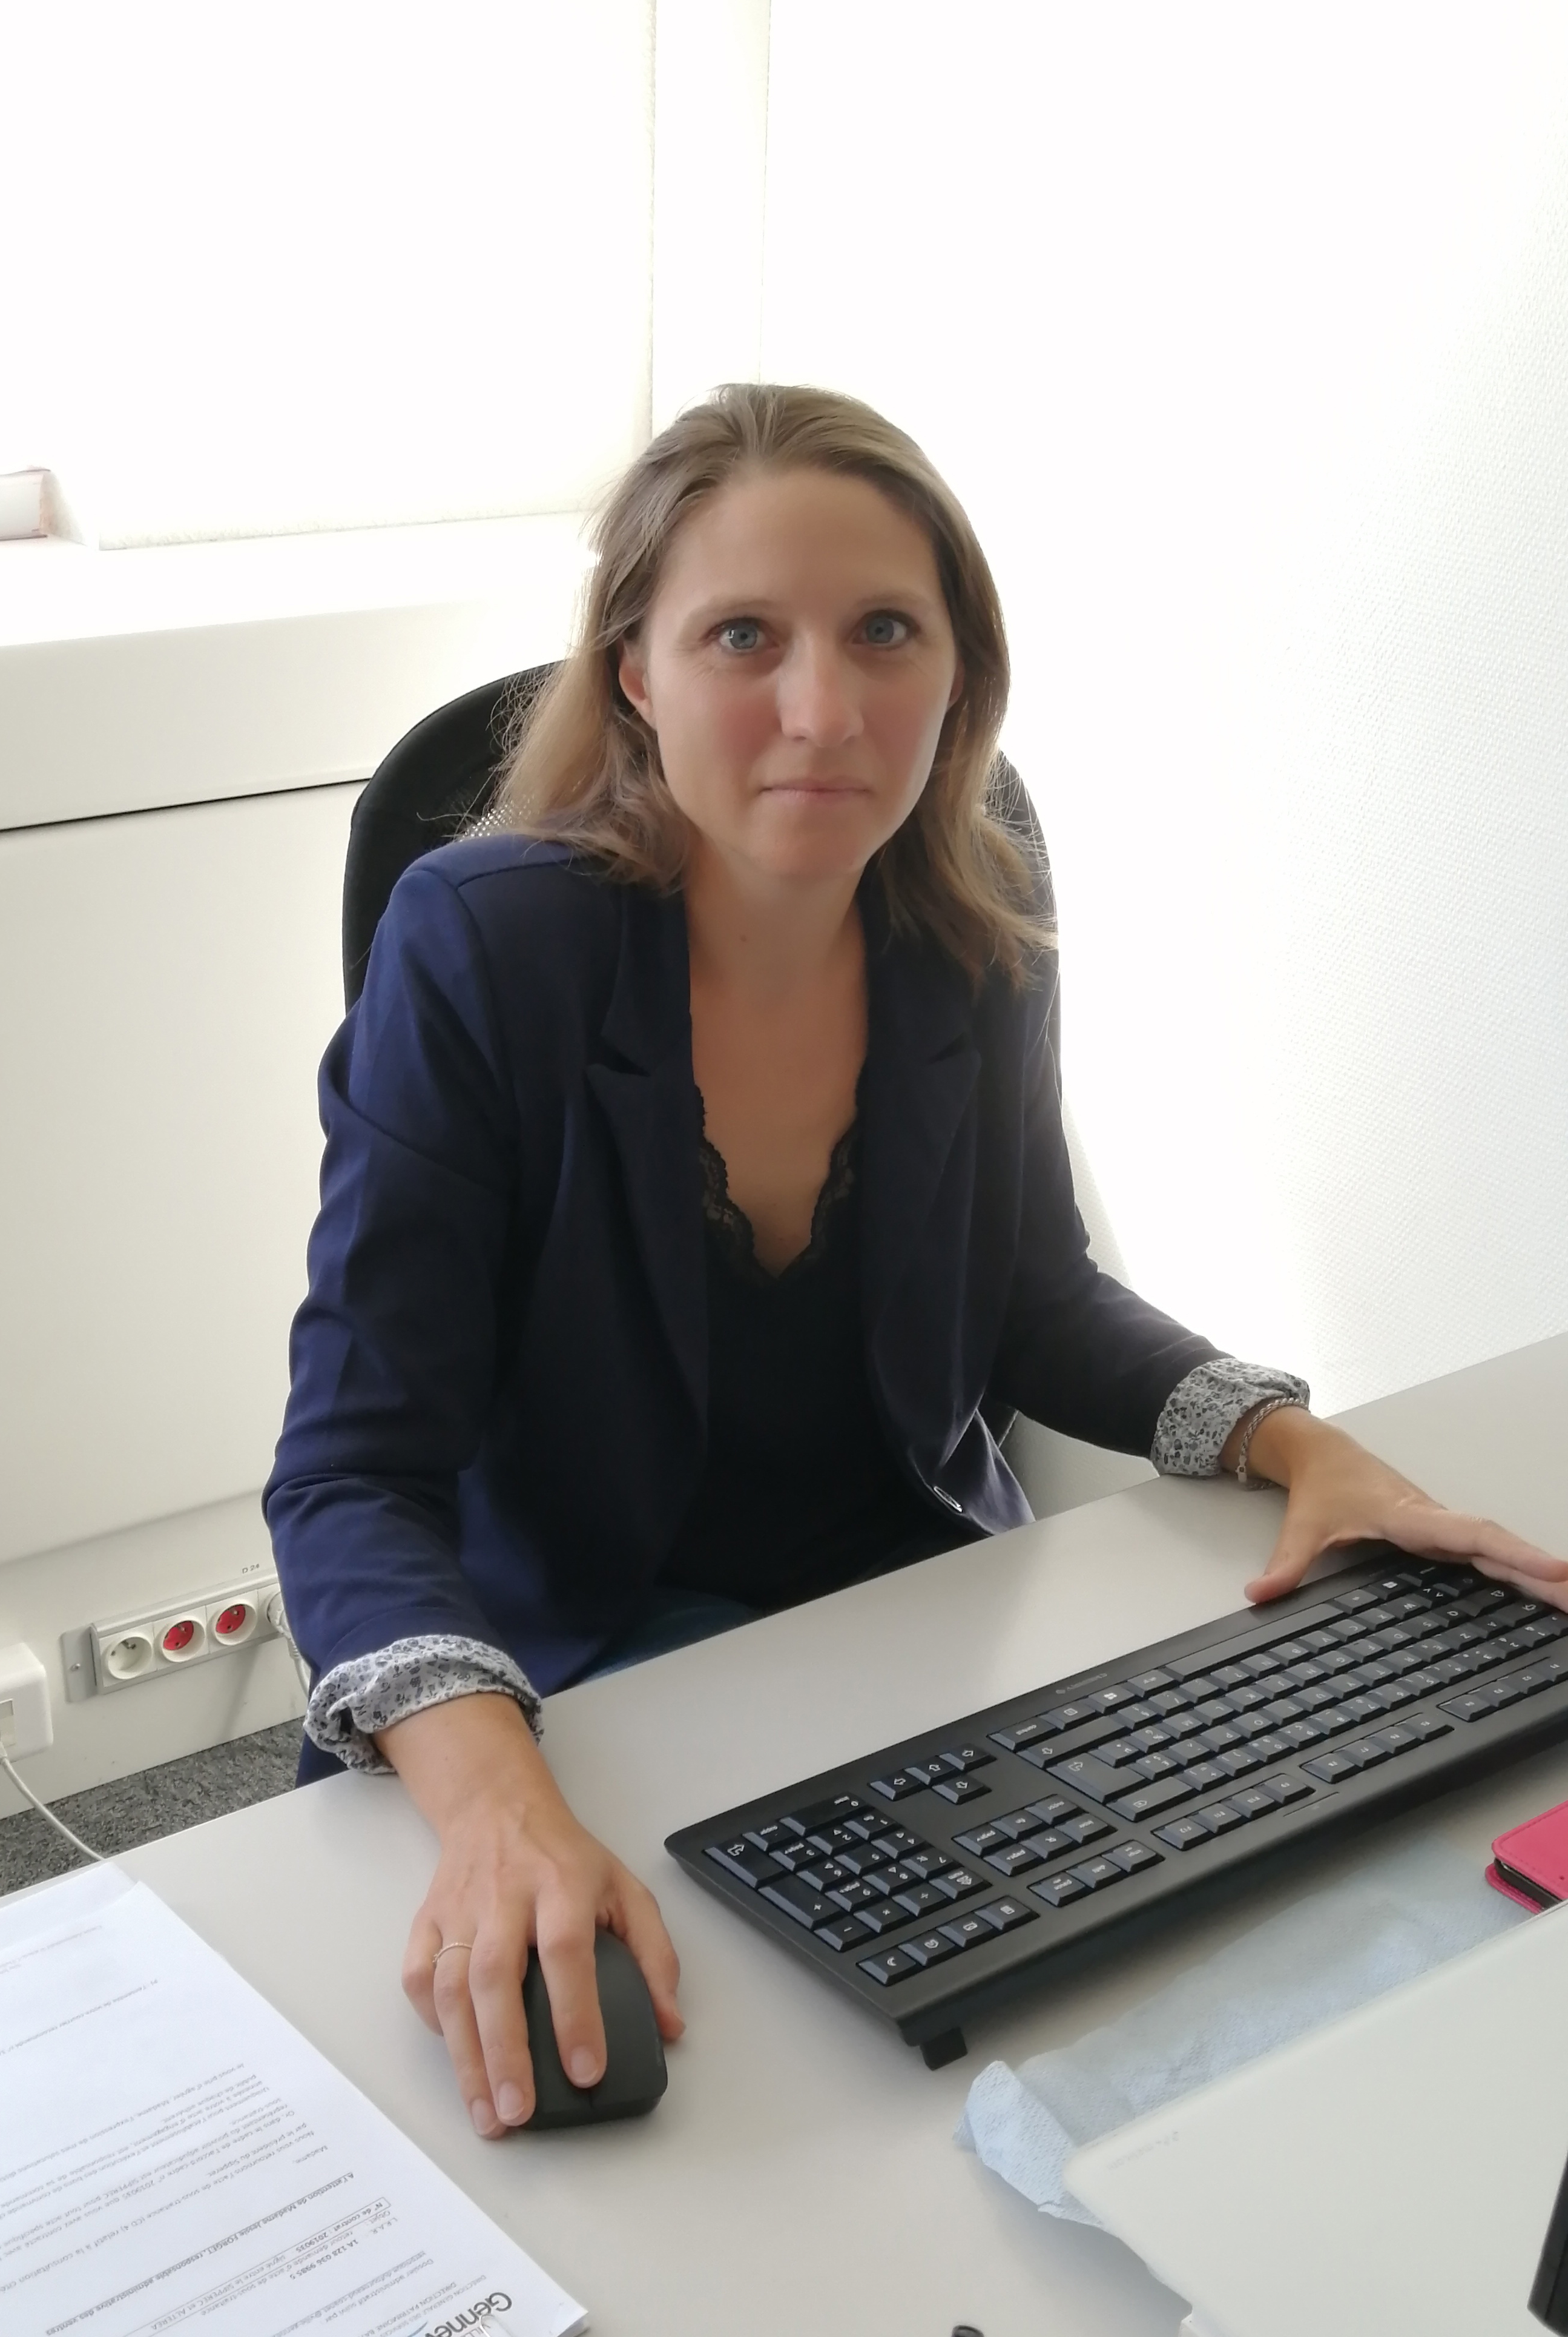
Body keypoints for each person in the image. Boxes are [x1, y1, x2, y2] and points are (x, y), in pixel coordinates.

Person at [266, 383, 1566, 2140]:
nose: (825, 709)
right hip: (580, 1649)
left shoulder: (971, 916)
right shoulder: (486, 947)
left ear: (962, 673)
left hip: (901, 1626)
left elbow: (1033, 1293)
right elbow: (352, 1470)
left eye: (885, 631)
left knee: (1187, 1992)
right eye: (743, 635)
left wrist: (1299, 1442)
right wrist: (495, 1803)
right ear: (637, 672)